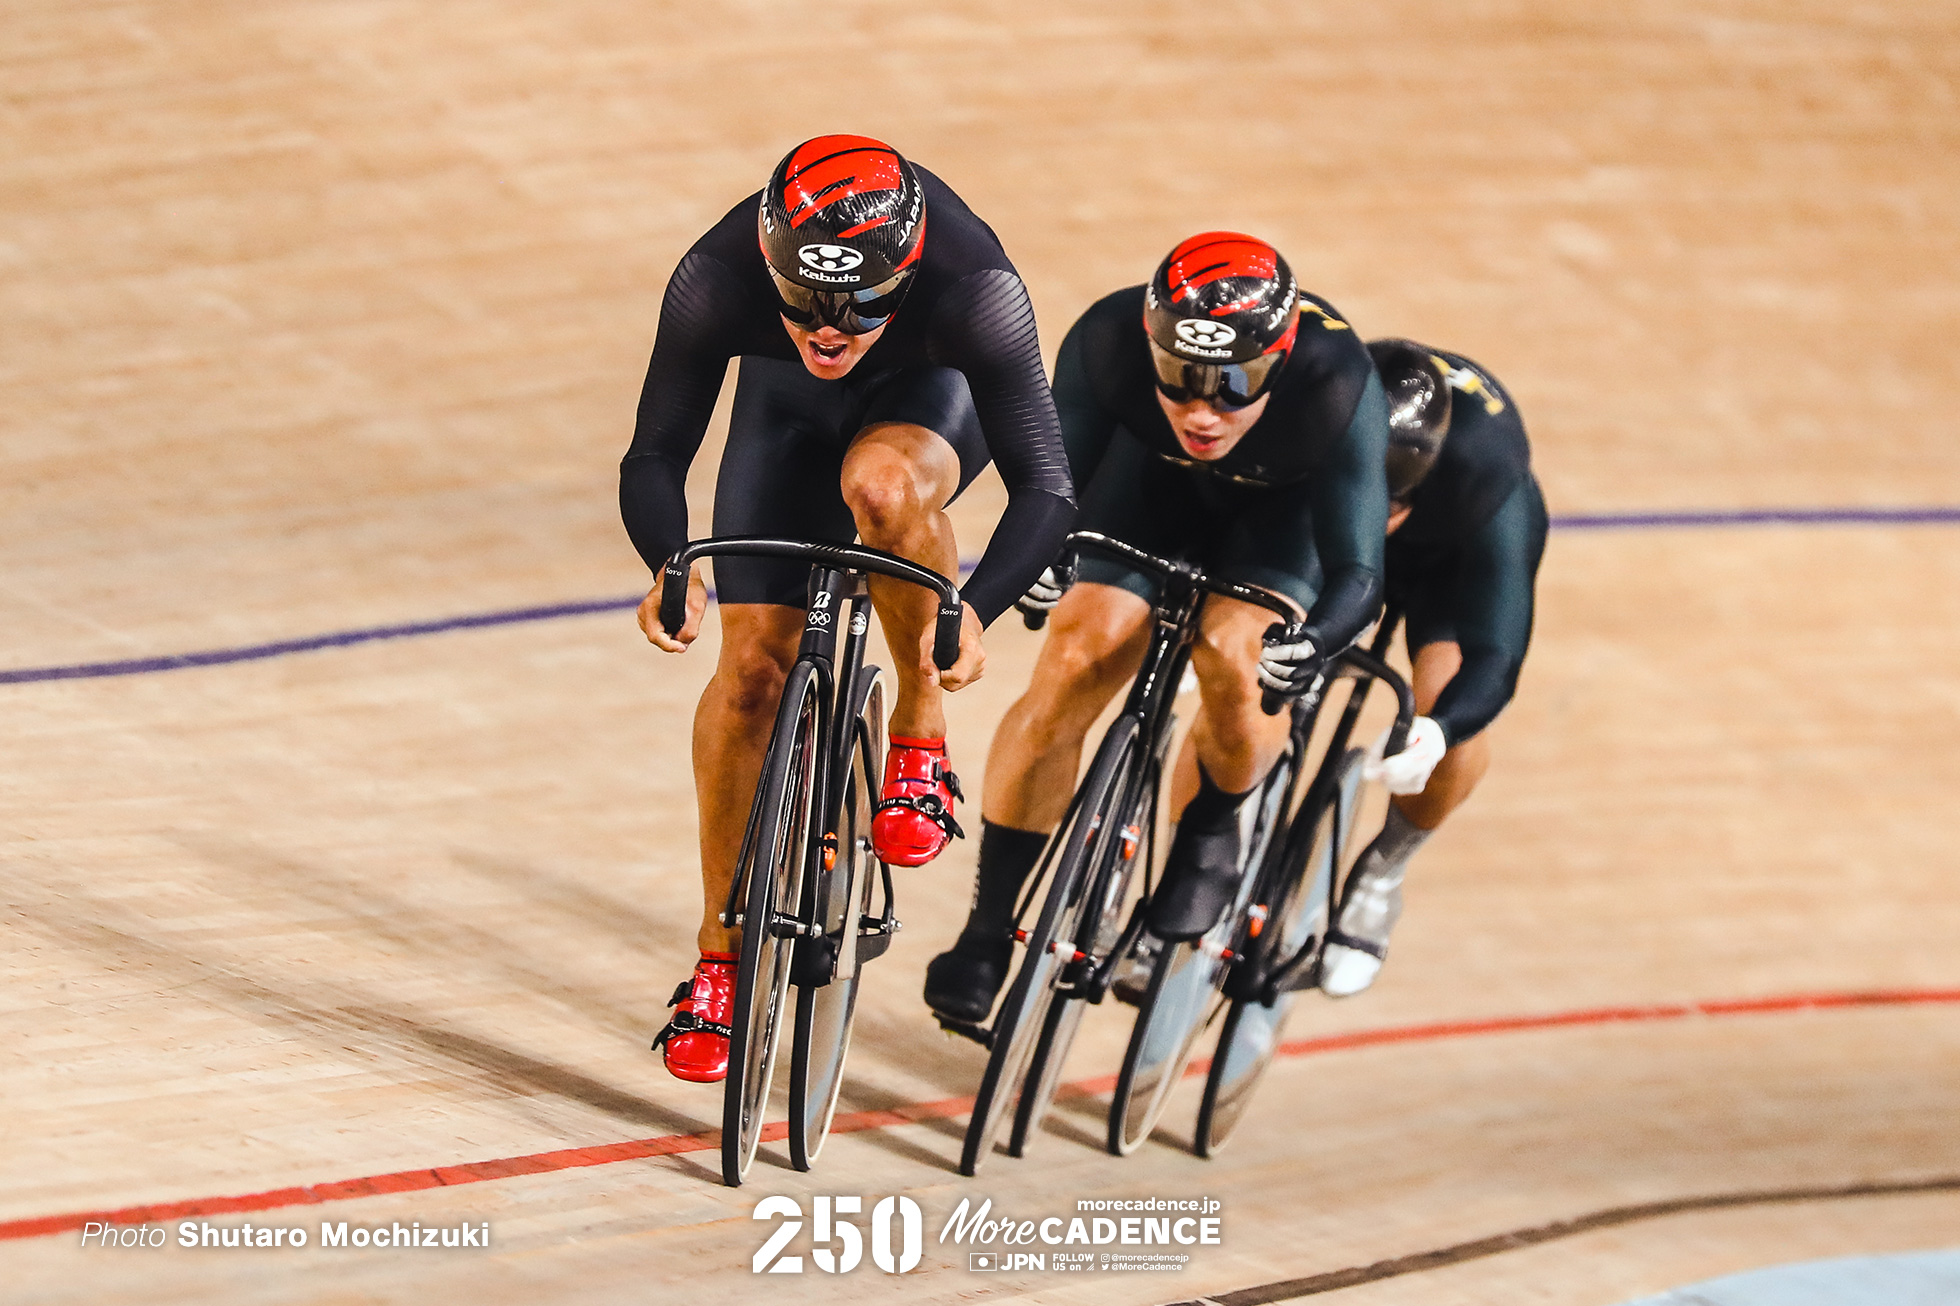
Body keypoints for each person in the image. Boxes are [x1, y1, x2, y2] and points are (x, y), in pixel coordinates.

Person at [621, 136, 1075, 1081]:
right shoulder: (716, 276)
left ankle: (918, 728)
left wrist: (971, 610)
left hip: (925, 401)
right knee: (748, 675)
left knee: (880, 485)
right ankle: (720, 959)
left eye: (861, 307)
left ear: (906, 274)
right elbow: (655, 454)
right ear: (770, 266)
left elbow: (1047, 490)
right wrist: (670, 563)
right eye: (803, 305)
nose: (829, 332)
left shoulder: (974, 286)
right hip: (782, 413)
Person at [923, 232, 1393, 1025]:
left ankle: (1210, 823)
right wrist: (1037, 561)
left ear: (1279, 361)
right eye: (1179, 381)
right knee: (1075, 656)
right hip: (1145, 493)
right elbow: (1049, 484)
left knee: (1234, 656)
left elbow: (1360, 568)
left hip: (1277, 527)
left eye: (1233, 386)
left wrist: (1314, 641)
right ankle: (987, 928)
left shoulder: (1338, 380)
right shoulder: (1107, 340)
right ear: (1151, 345)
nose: (1203, 412)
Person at [1317, 339, 1547, 997]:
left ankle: (1385, 868)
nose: (1376, 518)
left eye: (1388, 502)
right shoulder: (1318, 412)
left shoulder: (1485, 473)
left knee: (1447, 706)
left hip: (1449, 560)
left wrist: (1439, 731)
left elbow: (1495, 658)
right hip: (1320, 515)